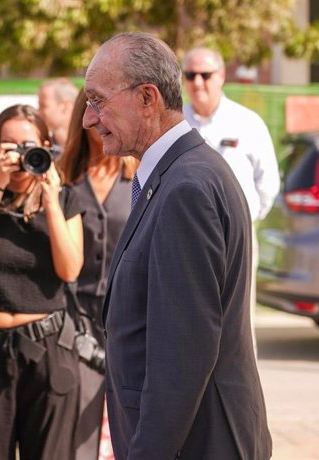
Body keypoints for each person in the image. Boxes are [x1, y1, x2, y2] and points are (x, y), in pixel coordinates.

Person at [83, 32, 272, 459]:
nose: (88, 120)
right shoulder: (180, 173)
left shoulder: (186, 186)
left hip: (198, 442)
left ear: (147, 98)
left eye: (97, 101)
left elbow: (183, 354)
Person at [0, 104, 84, 460]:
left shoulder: (67, 197)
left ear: (45, 145)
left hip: (48, 346)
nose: (17, 155)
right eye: (8, 145)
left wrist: (51, 201)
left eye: (26, 145)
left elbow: (70, 269)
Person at [58, 88, 138, 460]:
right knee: (78, 432)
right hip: (76, 317)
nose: (98, 119)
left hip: (131, 316)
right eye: (91, 109)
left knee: (130, 425)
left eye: (104, 107)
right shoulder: (63, 179)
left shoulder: (138, 174)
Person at [182, 47, 280, 349]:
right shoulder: (174, 124)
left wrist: (244, 221)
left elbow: (268, 182)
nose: (198, 82)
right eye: (190, 75)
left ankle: (238, 393)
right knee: (188, 319)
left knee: (237, 325)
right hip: (185, 238)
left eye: (206, 75)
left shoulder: (246, 123)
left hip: (235, 239)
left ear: (221, 76)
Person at [38, 78, 79, 156]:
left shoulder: (91, 144)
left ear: (65, 107)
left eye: (43, 106)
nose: (38, 111)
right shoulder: (42, 147)